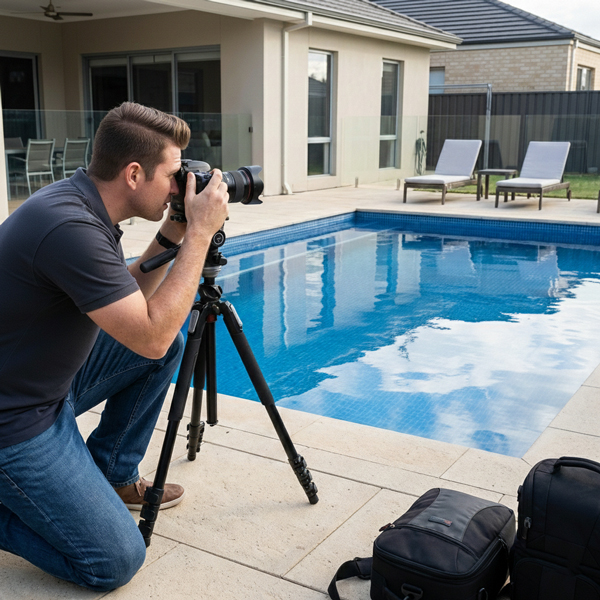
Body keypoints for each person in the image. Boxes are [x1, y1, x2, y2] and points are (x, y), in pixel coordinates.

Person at [0, 102, 230, 591]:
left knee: (165, 345)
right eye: (173, 175)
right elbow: (151, 331)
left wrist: (173, 232)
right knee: (115, 560)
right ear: (133, 173)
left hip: (45, 383)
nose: (180, 187)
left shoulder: (80, 203)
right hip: (15, 420)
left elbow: (135, 302)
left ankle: (112, 472)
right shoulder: (70, 228)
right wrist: (200, 235)